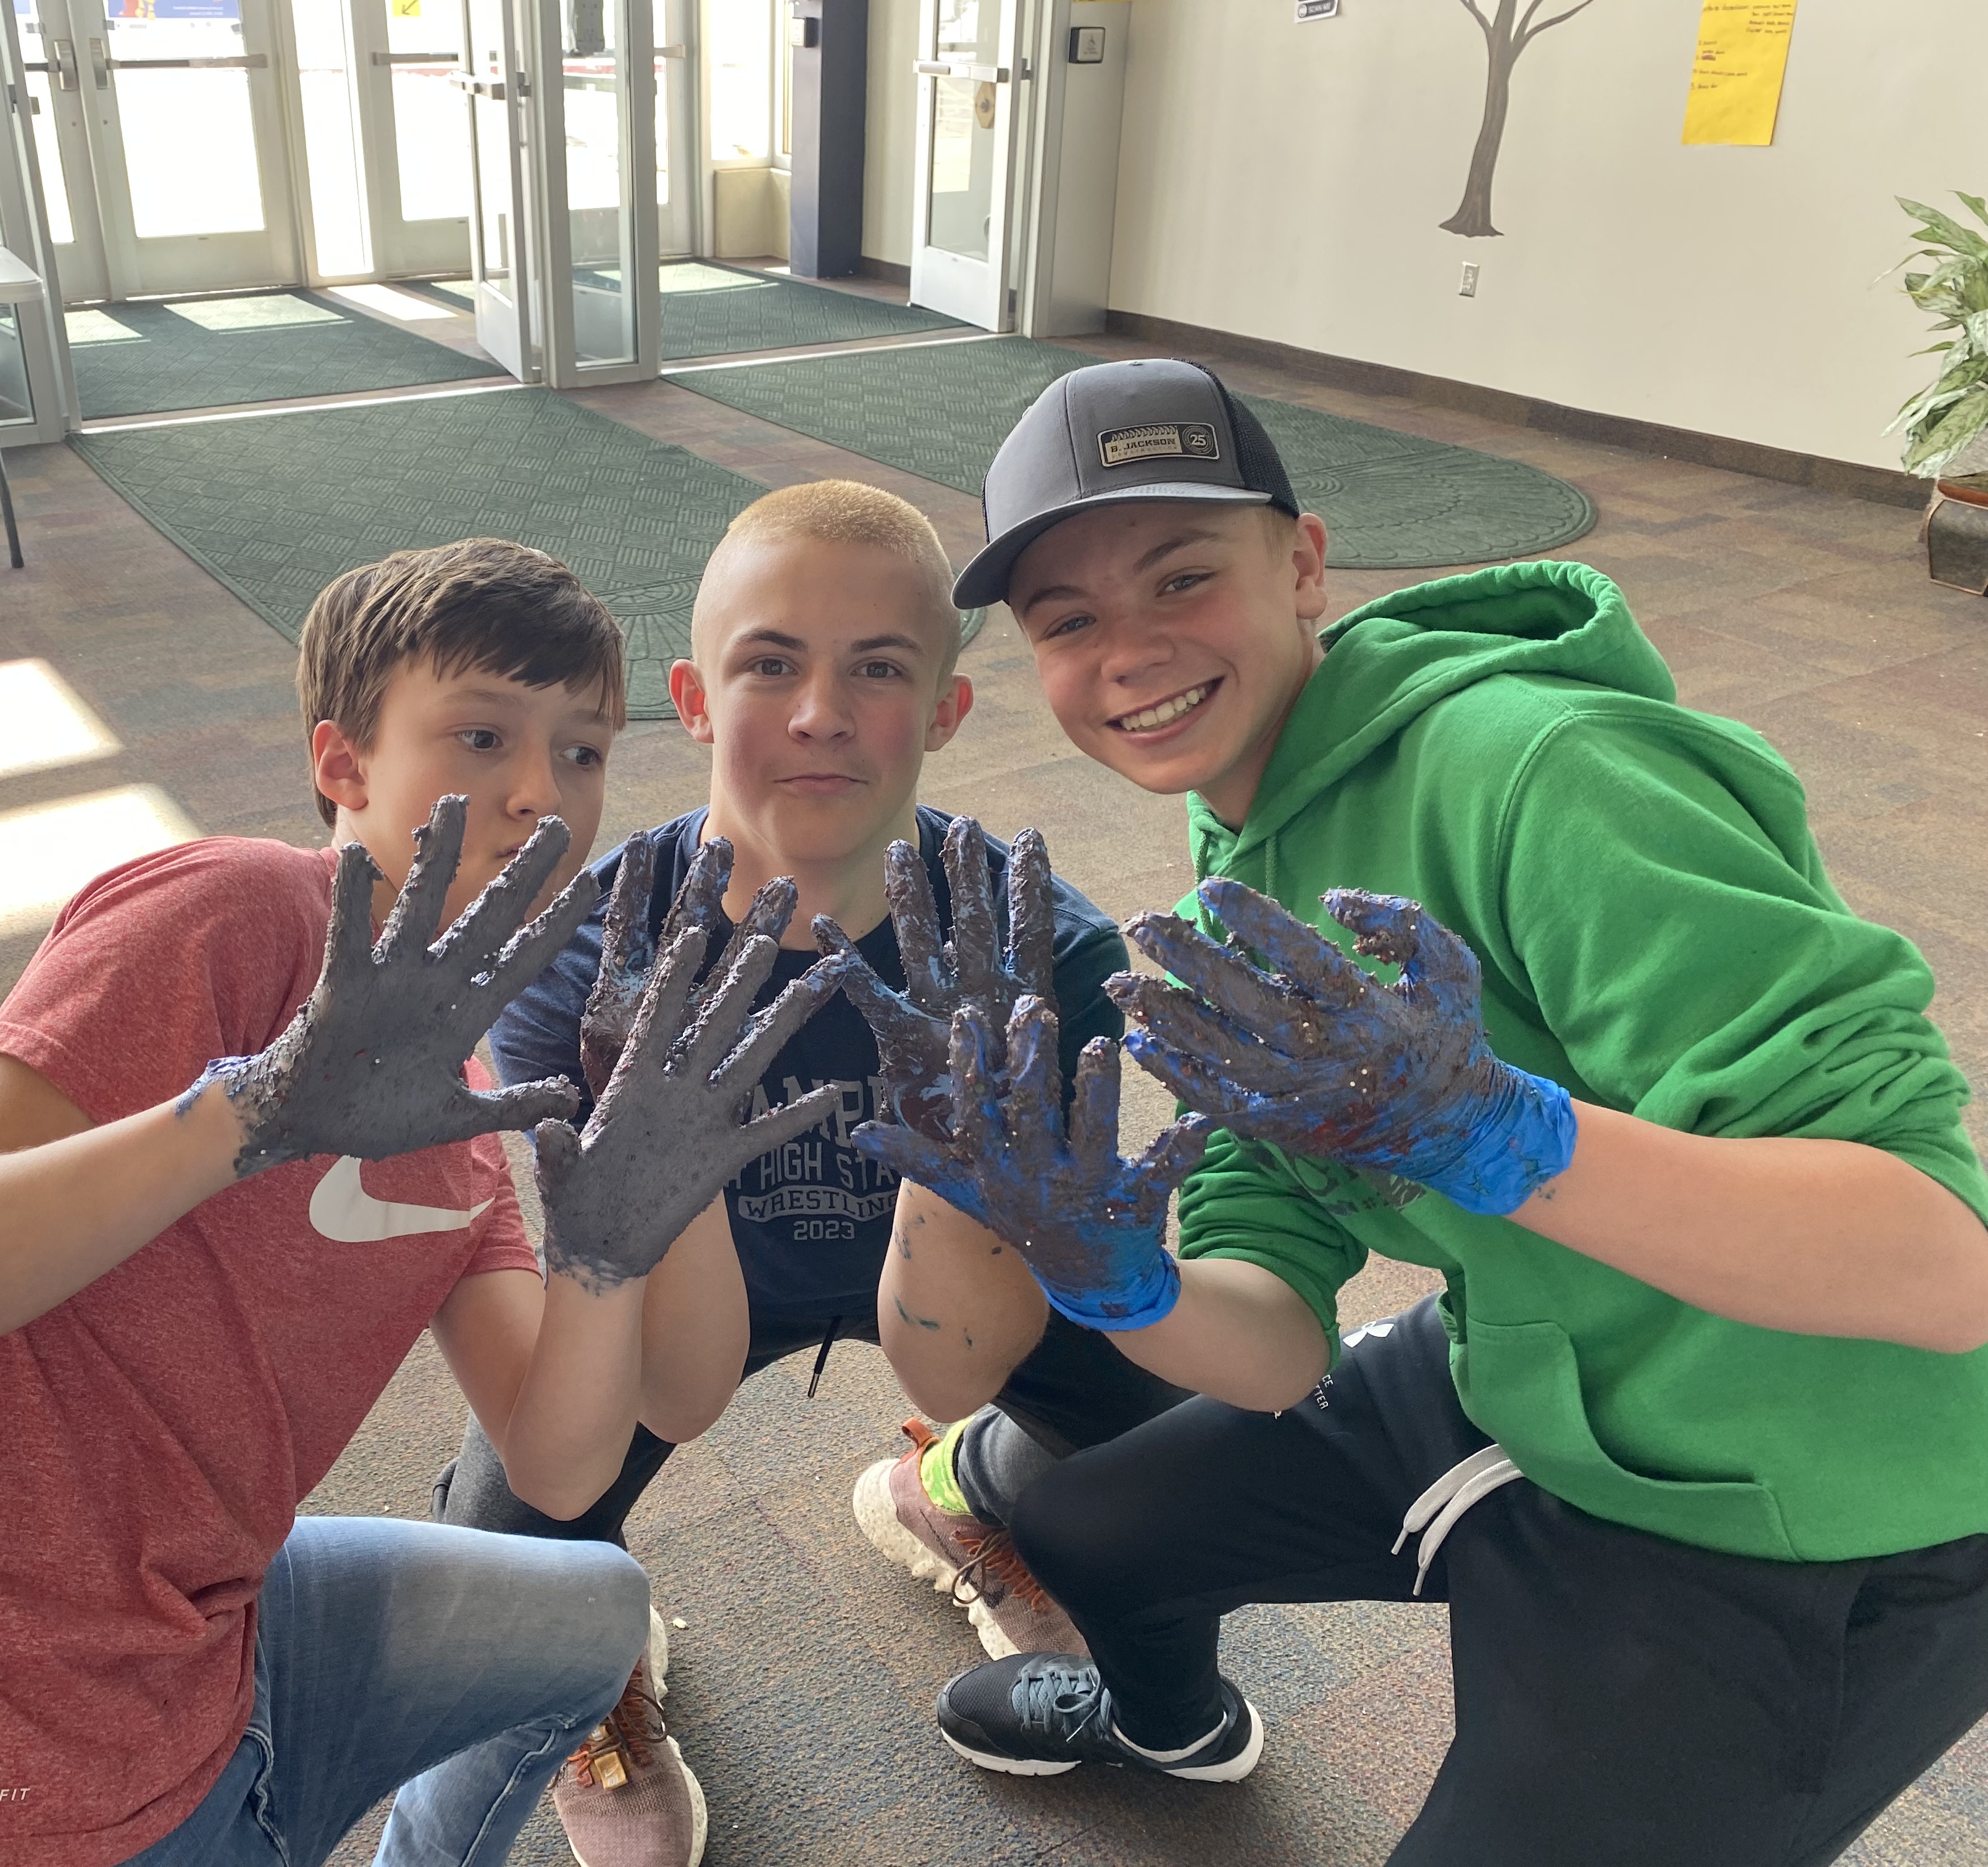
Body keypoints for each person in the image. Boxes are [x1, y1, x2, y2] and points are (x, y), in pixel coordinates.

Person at [848, 357, 1988, 1862]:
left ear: (1305, 565)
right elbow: (1271, 1346)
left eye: (1182, 579)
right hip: (1534, 1365)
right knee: (1083, 1527)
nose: (1128, 654)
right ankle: (1168, 1729)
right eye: (1069, 621)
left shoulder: (1545, 771)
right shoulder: (1239, 868)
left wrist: (1498, 1134)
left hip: (1824, 1498)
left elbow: (1937, 1263)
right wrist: (1112, 1280)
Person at [0, 539, 852, 1867]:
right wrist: (254, 1110)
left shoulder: (460, 1100)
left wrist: (618, 1233)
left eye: (585, 751)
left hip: (207, 1625)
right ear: (343, 765)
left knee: (592, 1610)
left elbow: (556, 1466)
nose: (544, 793)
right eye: (482, 737)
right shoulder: (232, 917)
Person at [422, 480, 1193, 1867]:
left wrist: (967, 1136)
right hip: (686, 1301)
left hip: (963, 1286)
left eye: (879, 670)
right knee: (509, 1546)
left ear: (947, 714)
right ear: (695, 699)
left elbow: (952, 1360)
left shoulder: (1037, 955)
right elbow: (679, 1381)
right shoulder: (584, 962)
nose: (822, 714)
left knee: (1171, 1467)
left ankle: (960, 1498)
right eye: (770, 663)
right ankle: (602, 1667)